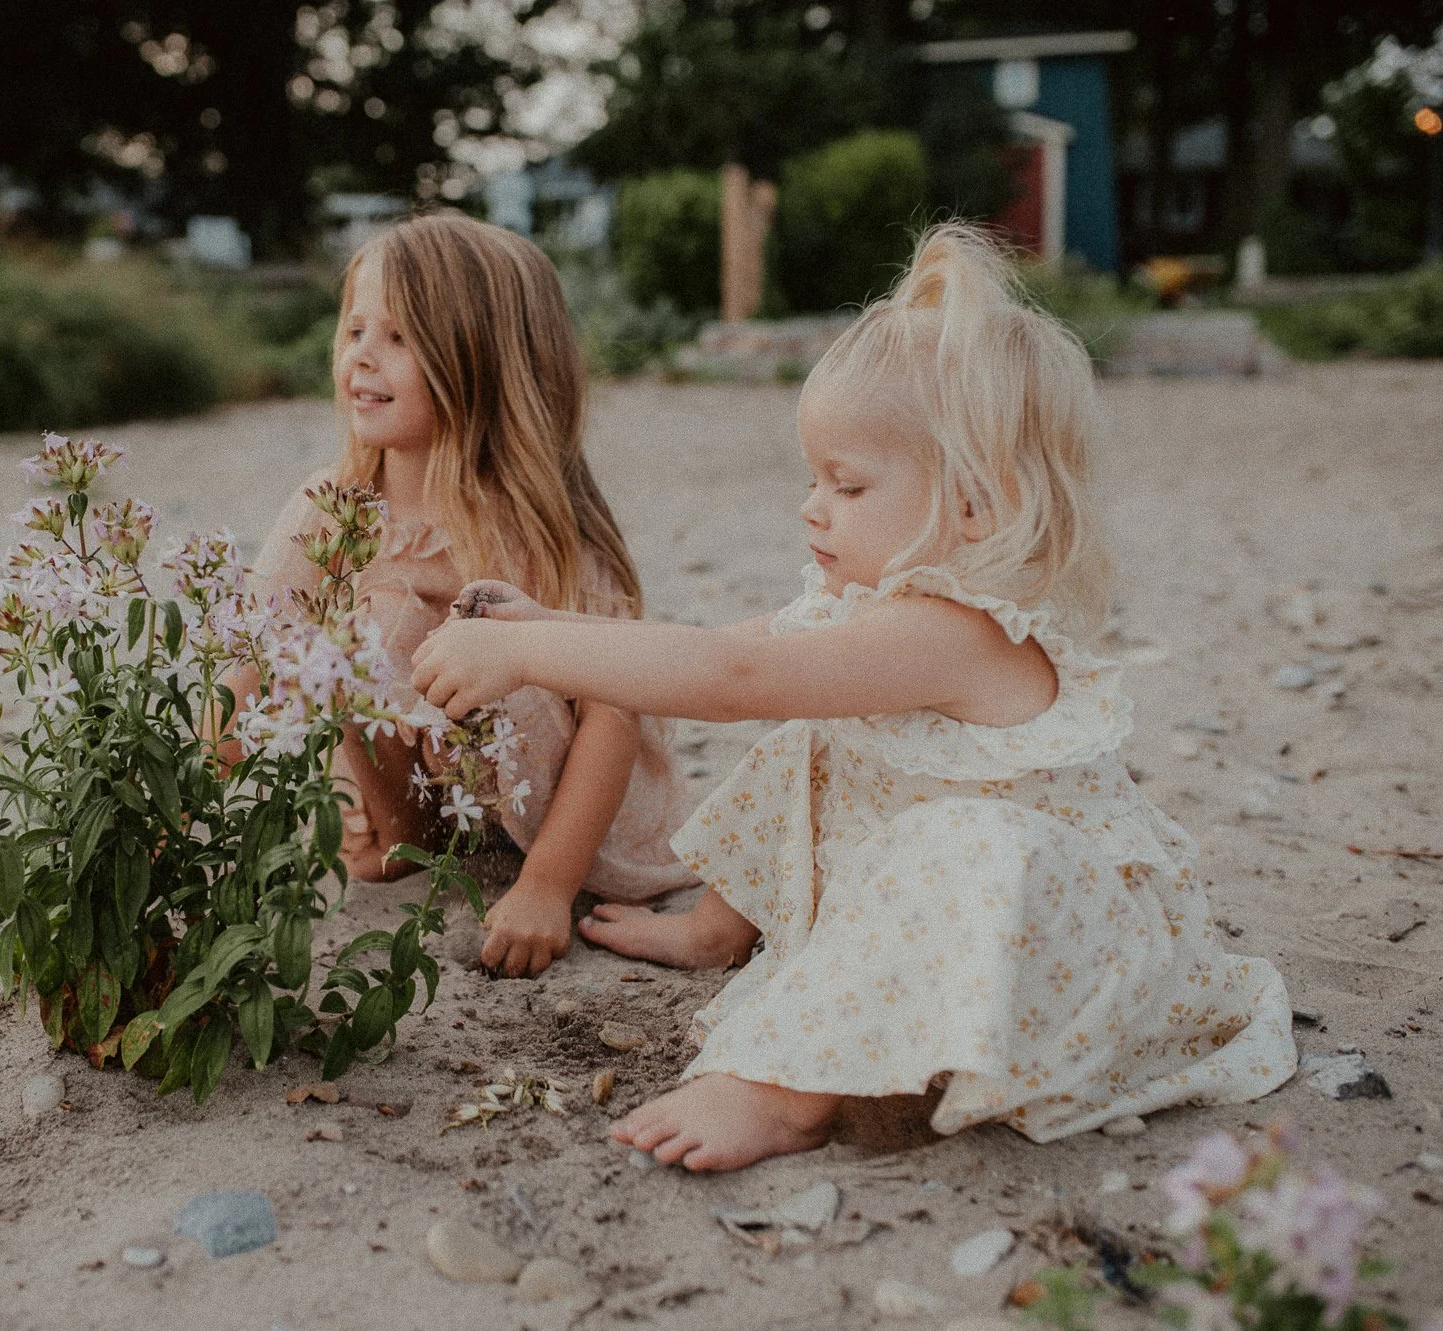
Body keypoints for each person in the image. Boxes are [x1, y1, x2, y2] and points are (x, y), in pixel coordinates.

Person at [410, 223, 1297, 1171]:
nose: (812, 506)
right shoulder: (864, 603)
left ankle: (786, 1095)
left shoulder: (950, 632)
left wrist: (519, 653)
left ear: (973, 506)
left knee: (950, 832)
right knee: (811, 741)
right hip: (918, 908)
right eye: (812, 478)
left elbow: (729, 683)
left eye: (849, 483)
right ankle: (721, 930)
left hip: (1043, 947)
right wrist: (546, 629)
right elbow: (720, 648)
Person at [252, 211, 696, 979]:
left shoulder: (536, 526)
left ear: (485, 361)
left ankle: (527, 858)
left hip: (570, 810)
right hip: (442, 797)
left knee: (488, 632)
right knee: (360, 629)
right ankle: (401, 838)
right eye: (356, 330)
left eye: (399, 338)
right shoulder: (333, 506)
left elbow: (611, 718)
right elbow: (256, 659)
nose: (362, 358)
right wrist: (181, 802)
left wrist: (547, 889)